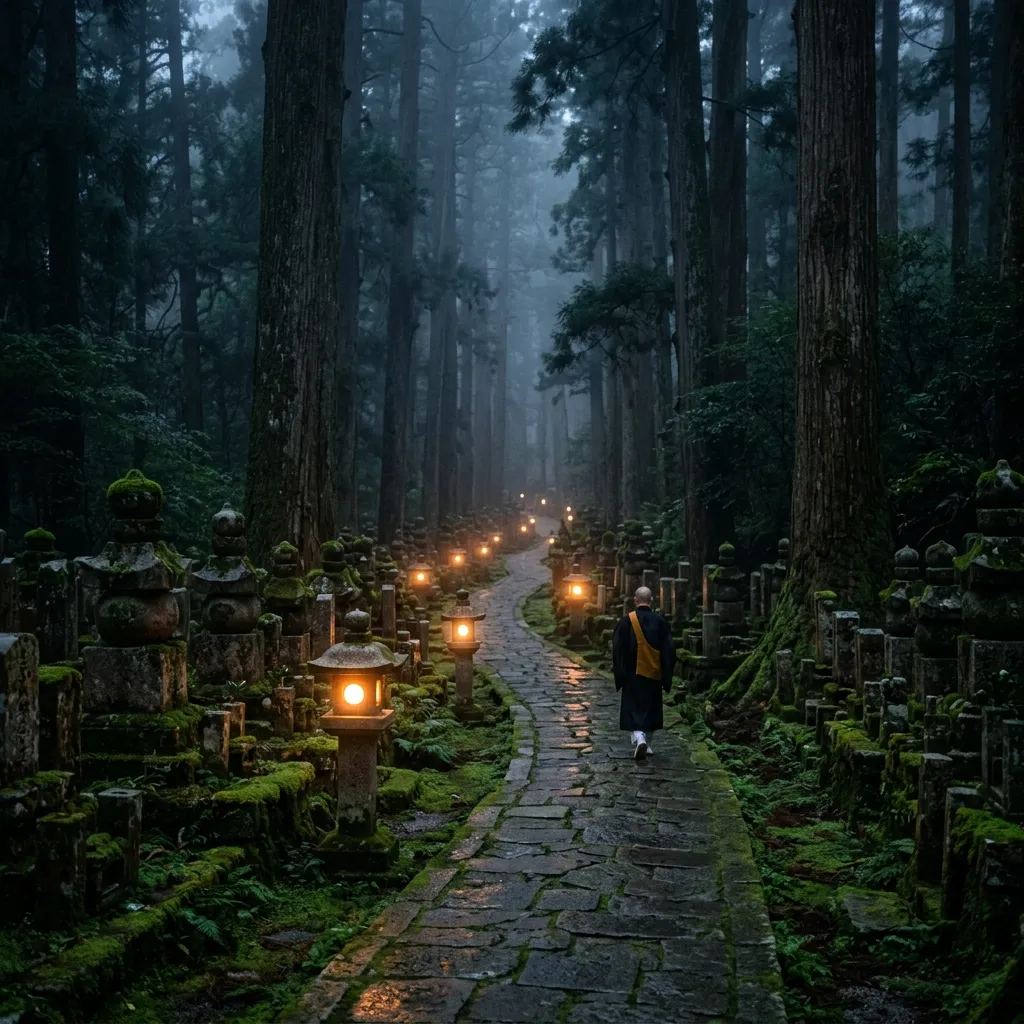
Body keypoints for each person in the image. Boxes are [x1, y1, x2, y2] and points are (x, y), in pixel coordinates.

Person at [612, 586, 676, 761]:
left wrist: (620, 673)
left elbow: (618, 650)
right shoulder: (660, 621)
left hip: (633, 674)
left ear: (635, 600)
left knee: (633, 708)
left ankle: (639, 737)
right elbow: (669, 650)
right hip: (653, 673)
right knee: (651, 709)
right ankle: (647, 743)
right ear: (652, 601)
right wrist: (666, 673)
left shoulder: (626, 621)